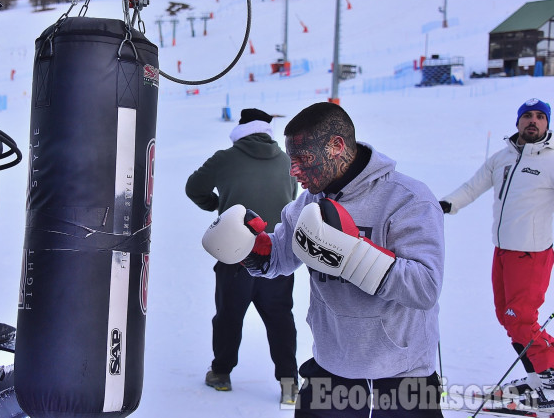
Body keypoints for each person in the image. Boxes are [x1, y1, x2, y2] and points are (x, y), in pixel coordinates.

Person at [202, 102, 445, 417]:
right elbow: (281, 257)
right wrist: (253, 250)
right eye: (291, 160)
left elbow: (424, 288)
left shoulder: (408, 199)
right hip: (331, 367)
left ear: (337, 147)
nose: (293, 170)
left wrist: (350, 254)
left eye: (303, 159)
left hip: (399, 376)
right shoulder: (310, 201)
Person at [439, 98, 554, 409]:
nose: (533, 121)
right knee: (508, 317)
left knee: (521, 319)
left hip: (532, 254)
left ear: (547, 123)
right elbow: (472, 186)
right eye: (527, 116)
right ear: (518, 122)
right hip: (503, 250)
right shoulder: (502, 158)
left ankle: (550, 379)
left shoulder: (551, 160)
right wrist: (447, 204)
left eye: (540, 117)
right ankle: (541, 377)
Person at [185, 108, 300, 404]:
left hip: (235, 255)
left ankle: (221, 374)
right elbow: (291, 199)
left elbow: (193, 187)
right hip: (278, 256)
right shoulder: (287, 162)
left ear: (241, 131)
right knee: (280, 319)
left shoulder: (225, 158)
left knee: (229, 316)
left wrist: (218, 205)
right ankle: (289, 385)